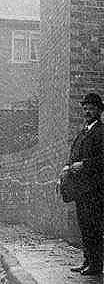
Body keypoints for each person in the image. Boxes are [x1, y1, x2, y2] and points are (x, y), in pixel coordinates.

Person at [65, 92, 104, 276]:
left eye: (91, 108)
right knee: (85, 226)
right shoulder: (83, 132)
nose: (87, 112)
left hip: (95, 189)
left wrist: (85, 164)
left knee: (94, 226)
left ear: (99, 111)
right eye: (85, 108)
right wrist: (67, 167)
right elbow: (74, 154)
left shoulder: (101, 132)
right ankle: (87, 260)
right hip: (81, 189)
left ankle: (96, 265)